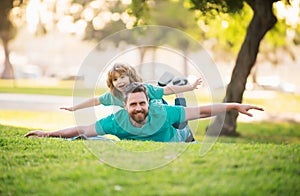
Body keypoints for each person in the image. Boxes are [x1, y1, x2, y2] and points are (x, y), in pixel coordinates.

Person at [25, 83, 264, 142]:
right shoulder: (116, 121)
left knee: (183, 125)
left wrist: (234, 106)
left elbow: (202, 111)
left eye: (142, 103)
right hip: (166, 121)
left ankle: (180, 105)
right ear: (125, 106)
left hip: (176, 135)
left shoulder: (160, 112)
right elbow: (82, 129)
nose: (138, 108)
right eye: (133, 105)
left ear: (148, 103)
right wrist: (47, 134)